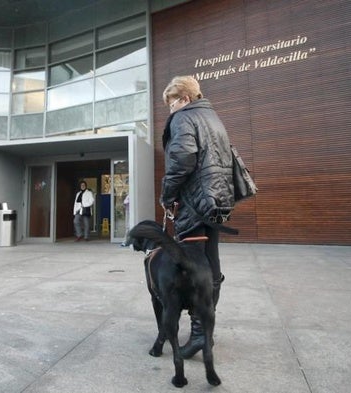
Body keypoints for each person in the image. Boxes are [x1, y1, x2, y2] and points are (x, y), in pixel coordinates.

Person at [159, 75, 234, 358]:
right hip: (215, 201)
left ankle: (201, 334)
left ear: (185, 99)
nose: (170, 109)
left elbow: (181, 159)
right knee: (210, 267)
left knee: (192, 269)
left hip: (194, 202)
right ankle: (206, 334)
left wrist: (167, 196)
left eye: (172, 102)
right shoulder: (212, 118)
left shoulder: (184, 118)